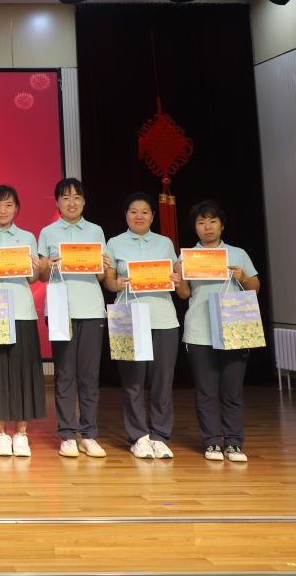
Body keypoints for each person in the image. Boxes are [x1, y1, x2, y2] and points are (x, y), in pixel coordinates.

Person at [104, 192, 189, 460]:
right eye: (133, 211)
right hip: (129, 317)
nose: (139, 216)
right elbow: (109, 281)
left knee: (162, 381)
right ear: (126, 215)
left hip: (163, 318)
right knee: (132, 381)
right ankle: (139, 437)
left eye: (144, 212)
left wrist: (177, 278)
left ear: (152, 216)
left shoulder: (165, 243)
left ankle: (160, 436)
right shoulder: (114, 243)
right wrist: (117, 284)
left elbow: (178, 282)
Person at [181, 199, 260, 463]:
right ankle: (212, 442)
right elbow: (184, 294)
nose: (208, 226)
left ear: (222, 225)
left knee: (232, 390)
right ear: (195, 227)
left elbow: (255, 287)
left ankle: (234, 443)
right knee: (206, 391)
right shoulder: (187, 257)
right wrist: (178, 278)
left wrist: (243, 277)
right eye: (201, 222)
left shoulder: (237, 254)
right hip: (200, 330)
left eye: (213, 221)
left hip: (233, 329)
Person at [0, 185, 45, 458]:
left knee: (23, 370)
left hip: (21, 310)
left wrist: (36, 268)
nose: (3, 210)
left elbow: (32, 279)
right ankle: (1, 433)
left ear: (17, 208)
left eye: (9, 205)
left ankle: (22, 433)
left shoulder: (27, 237)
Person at [37, 178, 110, 459]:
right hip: (60, 309)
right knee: (65, 374)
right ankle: (67, 434)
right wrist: (47, 265)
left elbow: (101, 276)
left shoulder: (95, 230)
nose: (71, 202)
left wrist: (104, 266)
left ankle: (89, 434)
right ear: (57, 202)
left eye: (77, 197)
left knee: (89, 376)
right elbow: (42, 275)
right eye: (65, 198)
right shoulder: (48, 232)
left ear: (84, 201)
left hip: (91, 308)